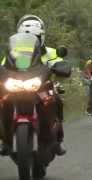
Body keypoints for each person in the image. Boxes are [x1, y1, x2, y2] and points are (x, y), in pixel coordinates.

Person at [0, 15, 68, 156]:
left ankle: (58, 140)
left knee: (57, 100)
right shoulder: (13, 53)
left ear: (41, 36)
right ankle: (5, 140)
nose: (32, 39)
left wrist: (61, 66)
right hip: (18, 86)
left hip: (42, 87)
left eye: (35, 36)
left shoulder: (50, 52)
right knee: (2, 99)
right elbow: (3, 67)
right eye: (25, 36)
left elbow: (61, 62)